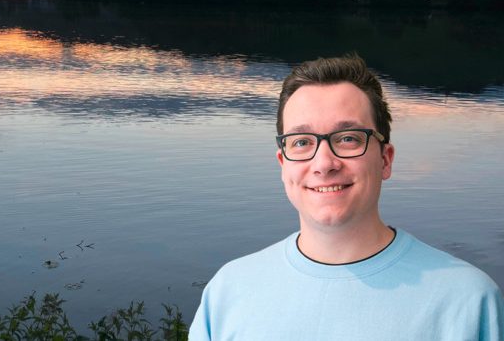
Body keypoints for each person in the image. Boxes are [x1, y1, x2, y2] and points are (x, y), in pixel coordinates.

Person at [190, 54, 504, 340]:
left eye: (349, 138)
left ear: (385, 160)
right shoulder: (228, 293)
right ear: (283, 164)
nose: (324, 164)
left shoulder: (467, 301)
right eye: (302, 142)